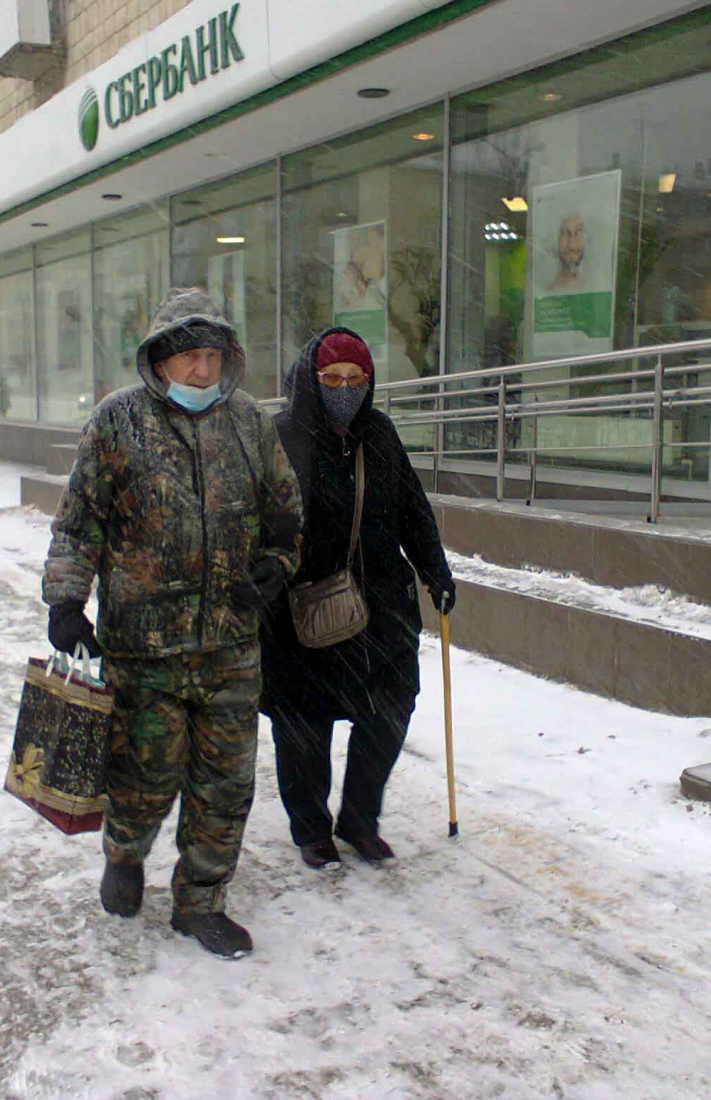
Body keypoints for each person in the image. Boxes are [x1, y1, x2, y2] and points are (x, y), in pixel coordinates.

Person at [42, 288, 302, 959]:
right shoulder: (116, 423)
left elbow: (284, 518)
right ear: (159, 358)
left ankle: (201, 902)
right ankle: (125, 854)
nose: (202, 369)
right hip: (143, 647)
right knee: (142, 775)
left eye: (213, 355)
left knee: (226, 784)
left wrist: (275, 566)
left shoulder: (249, 424)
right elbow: (80, 522)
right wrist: (67, 603)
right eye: (189, 354)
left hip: (230, 646)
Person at [260, 328, 456, 870]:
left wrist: (434, 570)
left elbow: (412, 508)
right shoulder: (279, 437)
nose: (344, 389)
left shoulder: (380, 434)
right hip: (301, 606)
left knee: (391, 707)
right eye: (331, 379)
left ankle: (360, 819)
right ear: (309, 380)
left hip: (381, 606)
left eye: (355, 380)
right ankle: (312, 829)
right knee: (303, 726)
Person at [547, 213, 587, 292]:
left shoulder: (594, 287)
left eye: (579, 231)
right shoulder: (547, 293)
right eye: (564, 233)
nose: (572, 245)